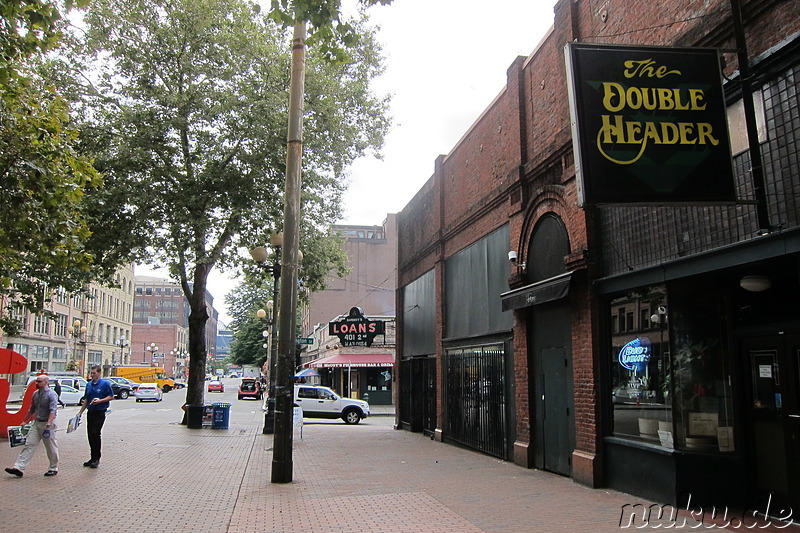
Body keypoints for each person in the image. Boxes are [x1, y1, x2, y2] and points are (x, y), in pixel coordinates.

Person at [5, 375, 59, 477]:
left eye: (39, 381)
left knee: (50, 446)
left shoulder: (52, 394)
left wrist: (48, 423)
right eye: (36, 381)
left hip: (47, 423)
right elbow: (32, 409)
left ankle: (53, 467)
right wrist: (25, 421)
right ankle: (19, 467)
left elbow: (53, 410)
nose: (36, 383)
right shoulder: (35, 394)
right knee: (29, 444)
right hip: (36, 422)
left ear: (46, 383)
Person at [77, 365, 114, 468]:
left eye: (94, 373)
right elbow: (86, 400)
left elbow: (111, 397)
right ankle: (92, 457)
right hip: (91, 412)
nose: (92, 375)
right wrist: (80, 412)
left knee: (95, 433)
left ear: (99, 373)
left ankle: (96, 458)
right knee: (90, 435)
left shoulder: (105, 384)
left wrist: (100, 401)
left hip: (100, 412)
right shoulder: (89, 385)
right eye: (91, 373)